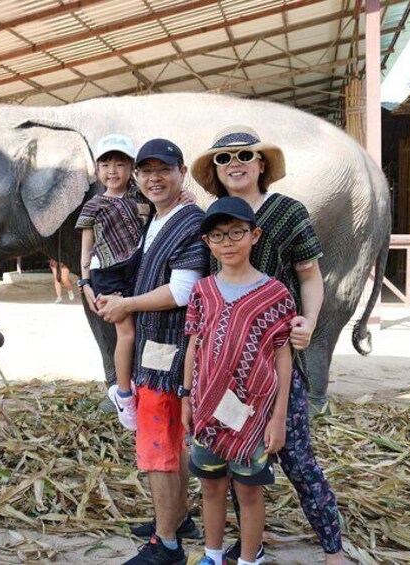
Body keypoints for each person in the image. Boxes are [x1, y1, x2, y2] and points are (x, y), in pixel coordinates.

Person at [190, 125, 344, 565]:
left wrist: (309, 322)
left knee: (294, 454)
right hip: (224, 374)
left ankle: (332, 546)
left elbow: (310, 274)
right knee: (233, 456)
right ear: (215, 172)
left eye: (245, 155)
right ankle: (245, 547)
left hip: (274, 360)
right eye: (224, 158)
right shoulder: (215, 217)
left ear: (262, 164)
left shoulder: (287, 211)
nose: (235, 163)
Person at [96, 138, 209, 565]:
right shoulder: (159, 217)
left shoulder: (188, 222)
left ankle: (167, 546)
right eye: (146, 171)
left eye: (164, 169)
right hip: (154, 345)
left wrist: (126, 305)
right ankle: (178, 520)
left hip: (169, 350)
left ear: (182, 172)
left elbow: (182, 291)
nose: (153, 178)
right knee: (171, 444)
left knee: (159, 447)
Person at [181, 197, 295, 565]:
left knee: (248, 491)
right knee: (211, 486)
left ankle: (248, 559)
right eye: (217, 235)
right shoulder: (202, 291)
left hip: (253, 415)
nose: (227, 242)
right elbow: (193, 345)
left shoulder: (275, 294)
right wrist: (186, 397)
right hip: (206, 408)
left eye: (236, 233)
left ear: (255, 235)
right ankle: (212, 555)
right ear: (207, 242)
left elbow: (282, 355)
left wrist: (278, 417)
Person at [76, 134, 142, 430]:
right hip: (108, 272)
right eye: (106, 164)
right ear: (96, 170)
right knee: (125, 332)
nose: (112, 171)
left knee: (142, 329)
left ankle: (140, 385)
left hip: (138, 267)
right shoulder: (93, 206)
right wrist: (85, 283)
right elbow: (86, 250)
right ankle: (124, 393)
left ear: (132, 168)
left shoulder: (142, 199)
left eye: (120, 164)